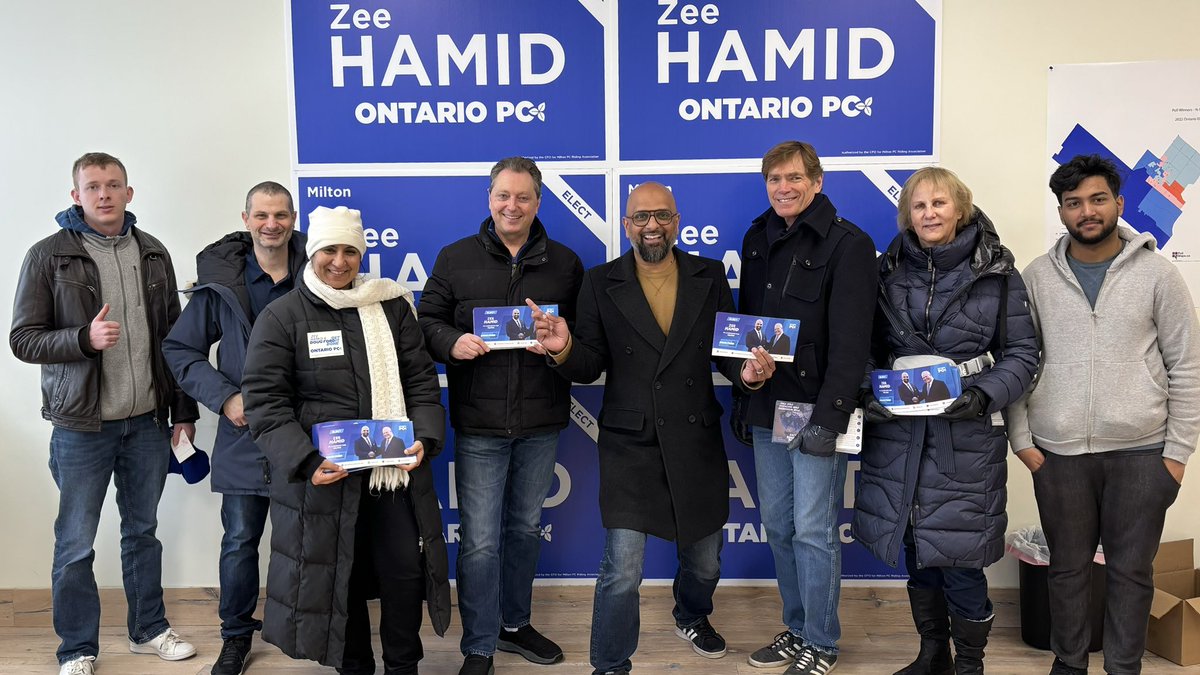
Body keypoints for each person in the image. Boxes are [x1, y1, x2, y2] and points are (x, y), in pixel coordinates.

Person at [529, 181, 777, 675]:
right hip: (629, 441)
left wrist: (746, 375)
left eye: (661, 216)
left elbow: (727, 352)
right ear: (626, 225)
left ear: (677, 221)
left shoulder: (708, 276)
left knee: (705, 561)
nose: (651, 226)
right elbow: (590, 362)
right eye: (640, 217)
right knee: (621, 570)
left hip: (694, 434)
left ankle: (691, 614)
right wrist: (562, 347)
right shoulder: (600, 282)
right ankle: (610, 663)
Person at [1008, 155, 1200, 675]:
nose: (1086, 212)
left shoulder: (1158, 274)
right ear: (1062, 212)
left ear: (1118, 202)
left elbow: (1187, 365)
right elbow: (1020, 361)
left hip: (1142, 453)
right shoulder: (1036, 278)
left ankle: (1123, 668)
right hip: (1059, 454)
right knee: (1066, 572)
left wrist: (1176, 455)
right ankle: (1068, 666)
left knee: (1131, 574)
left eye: (1097, 199)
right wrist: (1023, 441)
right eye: (1074, 203)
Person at [10, 152, 200, 675]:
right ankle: (77, 648)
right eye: (92, 186)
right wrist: (83, 339)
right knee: (75, 542)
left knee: (143, 532)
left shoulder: (154, 253)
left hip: (146, 423)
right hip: (81, 427)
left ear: (129, 193)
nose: (104, 194)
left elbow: (175, 342)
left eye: (113, 185)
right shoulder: (49, 256)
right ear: (76, 195)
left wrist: (182, 413)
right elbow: (23, 340)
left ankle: (149, 630)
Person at [241, 206, 450, 675]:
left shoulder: (392, 306)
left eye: (350, 251)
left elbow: (419, 382)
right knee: (342, 580)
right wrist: (306, 460)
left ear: (362, 254)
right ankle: (354, 666)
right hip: (325, 480)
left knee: (403, 574)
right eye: (330, 250)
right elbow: (265, 403)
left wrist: (425, 437)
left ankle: (403, 666)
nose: (340, 261)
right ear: (312, 252)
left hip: (394, 474)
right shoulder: (283, 316)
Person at [852, 167, 1039, 675]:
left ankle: (970, 665)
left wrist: (981, 396)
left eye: (939, 203)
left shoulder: (998, 274)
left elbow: (1023, 354)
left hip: (966, 440)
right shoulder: (885, 272)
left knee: (961, 563)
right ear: (907, 214)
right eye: (919, 206)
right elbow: (862, 349)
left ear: (960, 208)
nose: (929, 213)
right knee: (917, 554)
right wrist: (874, 391)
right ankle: (932, 655)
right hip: (899, 439)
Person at [417, 156, 583, 675]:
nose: (512, 206)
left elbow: (585, 337)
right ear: (489, 198)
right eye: (503, 196)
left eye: (524, 197)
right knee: (482, 540)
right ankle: (479, 644)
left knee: (525, 530)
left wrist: (562, 343)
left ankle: (514, 624)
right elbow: (426, 320)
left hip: (540, 422)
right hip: (480, 424)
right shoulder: (455, 256)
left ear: (538, 202)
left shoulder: (566, 262)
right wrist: (452, 341)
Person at [737, 141, 877, 675]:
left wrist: (831, 416)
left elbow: (851, 345)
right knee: (777, 524)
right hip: (769, 405)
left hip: (818, 409)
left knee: (813, 530)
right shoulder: (757, 237)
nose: (783, 188)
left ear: (816, 182)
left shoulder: (849, 245)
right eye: (773, 179)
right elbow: (748, 328)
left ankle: (822, 641)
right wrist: (747, 384)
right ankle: (796, 628)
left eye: (794, 178)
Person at [161, 180, 306, 675]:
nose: (272, 225)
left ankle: (301, 632)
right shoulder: (222, 285)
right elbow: (180, 350)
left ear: (293, 218)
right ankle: (235, 637)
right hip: (242, 435)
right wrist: (225, 398)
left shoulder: (319, 273)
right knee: (241, 540)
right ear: (246, 219)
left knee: (305, 541)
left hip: (305, 438)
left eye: (281, 215)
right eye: (262, 215)